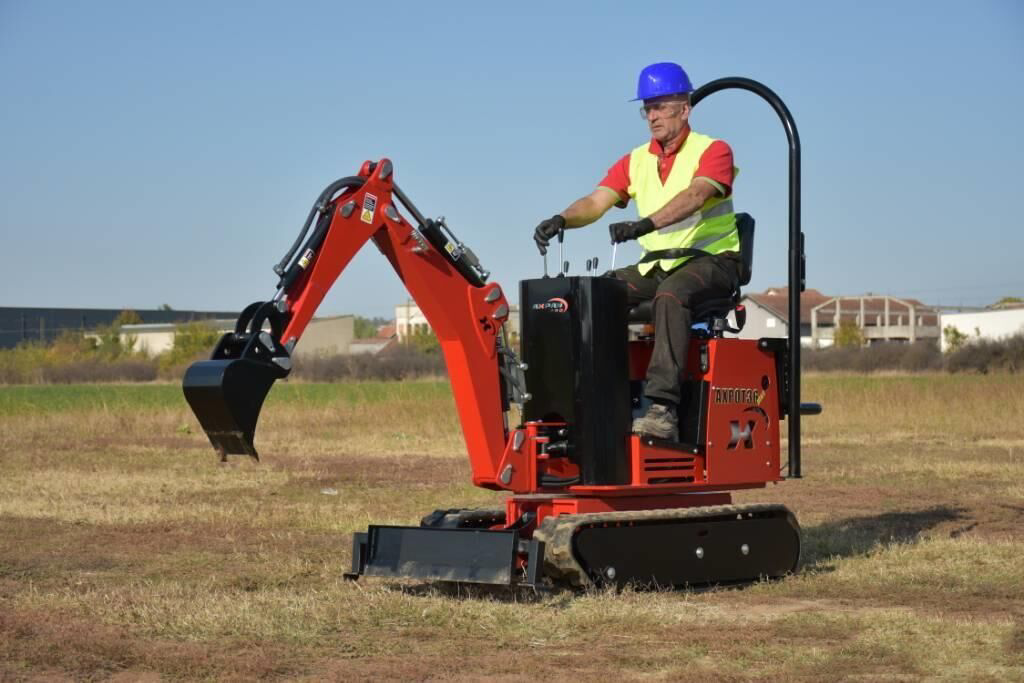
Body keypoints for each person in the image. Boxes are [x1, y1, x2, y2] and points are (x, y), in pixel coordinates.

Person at [532, 62, 742, 441]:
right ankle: (593, 397)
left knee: (672, 294)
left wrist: (645, 224)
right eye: (647, 108)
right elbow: (597, 201)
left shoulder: (713, 151)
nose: (652, 115)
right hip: (657, 265)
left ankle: (662, 410)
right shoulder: (636, 160)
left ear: (685, 108)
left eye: (661, 106)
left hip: (712, 262)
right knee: (595, 294)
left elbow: (695, 196)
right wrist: (561, 219)